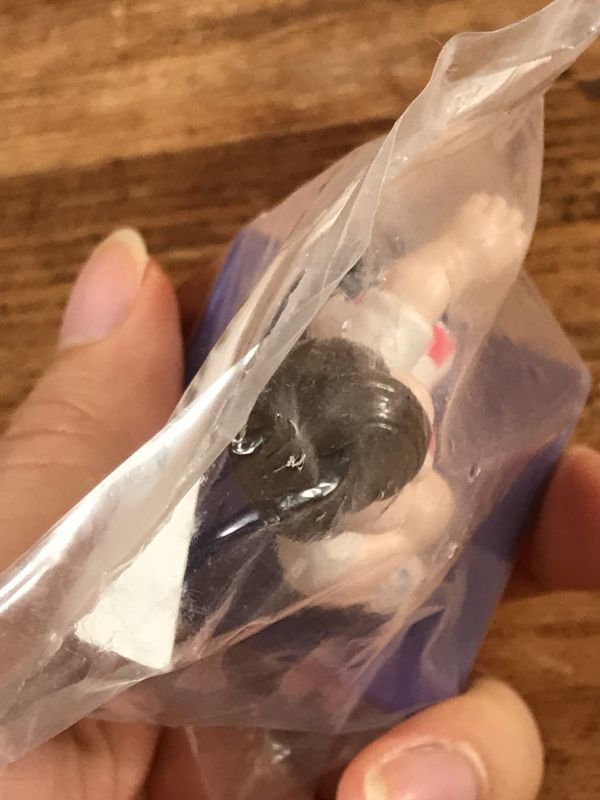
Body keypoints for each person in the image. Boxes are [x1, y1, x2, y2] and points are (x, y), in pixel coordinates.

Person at [0, 229, 598, 800]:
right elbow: (412, 530)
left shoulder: (371, 354)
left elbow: (420, 284)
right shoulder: (325, 551)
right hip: (288, 590)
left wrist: (467, 244)